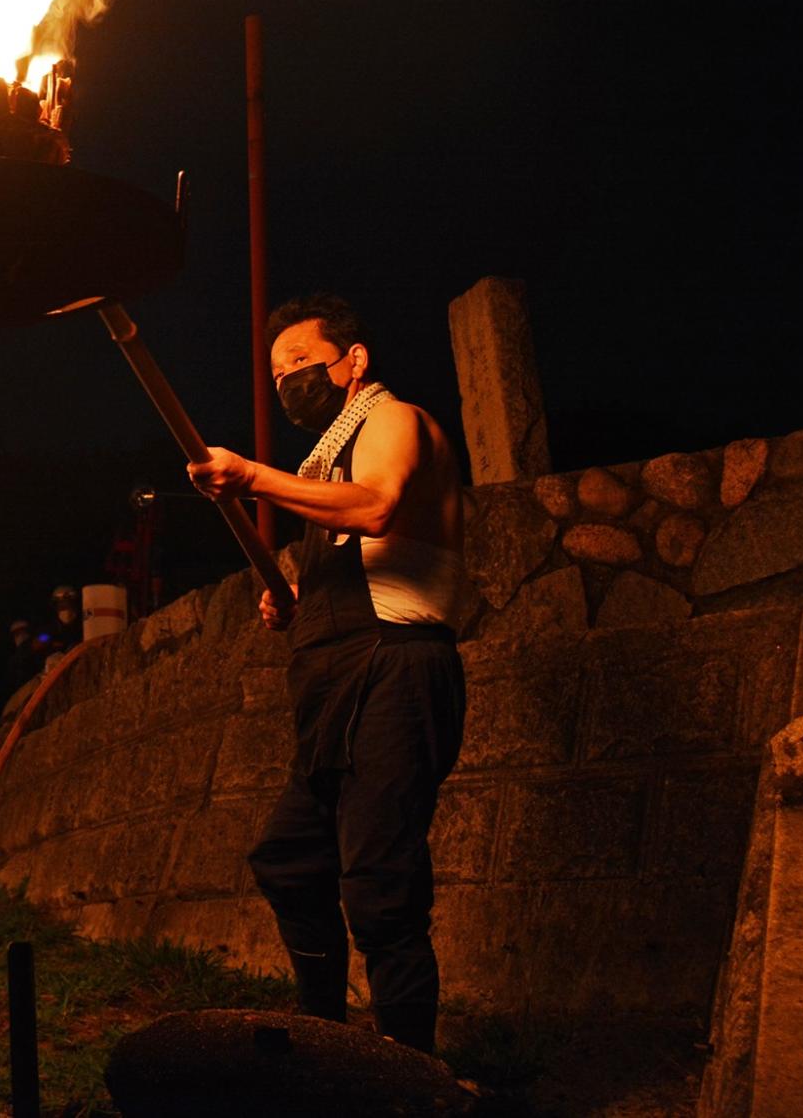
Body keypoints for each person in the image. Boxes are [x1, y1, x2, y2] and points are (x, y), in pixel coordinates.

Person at [186, 293, 467, 1055]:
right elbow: (354, 548)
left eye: (302, 364)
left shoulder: (393, 419)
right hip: (334, 680)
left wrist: (250, 475)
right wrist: (299, 598)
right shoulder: (328, 456)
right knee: (290, 858)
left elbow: (376, 508)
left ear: (354, 361)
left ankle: (409, 1072)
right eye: (278, 374)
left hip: (396, 670)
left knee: (380, 888)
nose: (288, 384)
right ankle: (322, 1042)